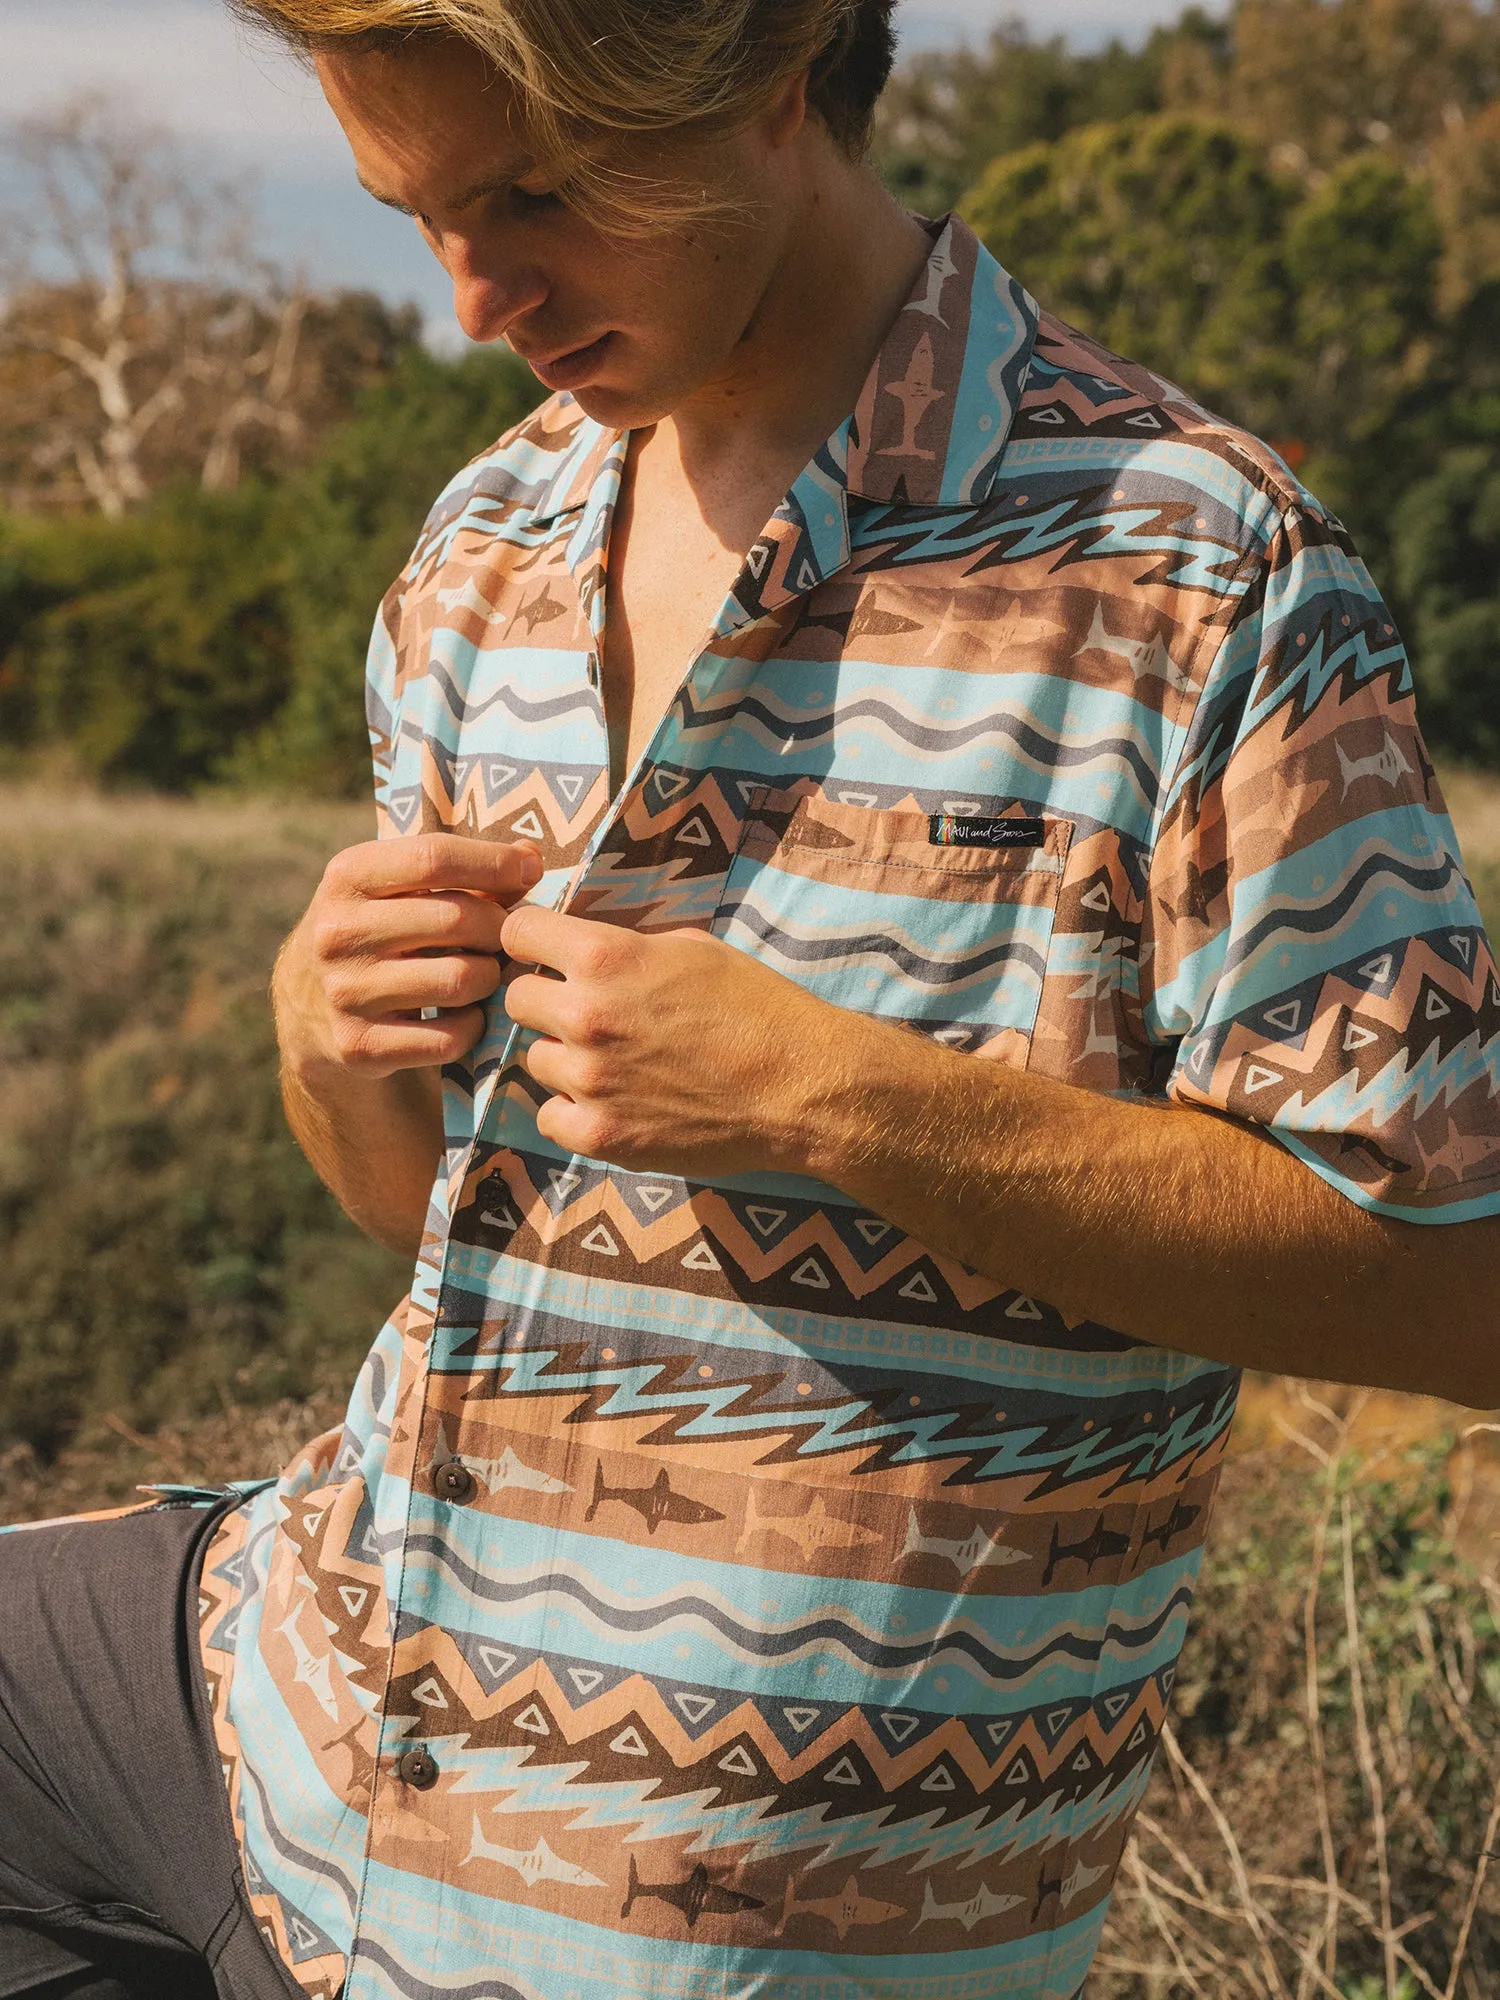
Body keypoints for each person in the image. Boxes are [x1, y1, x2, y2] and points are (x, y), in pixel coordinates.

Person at [2, 3, 1497, 1998]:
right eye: (423, 213)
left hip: (662, 1932)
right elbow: (444, 1233)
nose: (475, 301)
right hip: (290, 1709)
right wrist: (322, 1033)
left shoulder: (1195, 570)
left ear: (773, 73)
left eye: (535, 194)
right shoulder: (483, 551)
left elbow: (1448, 1281)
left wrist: (834, 1099)